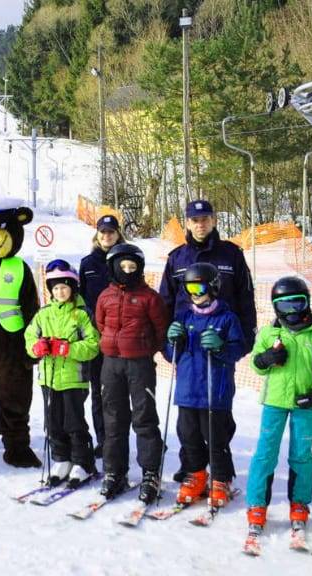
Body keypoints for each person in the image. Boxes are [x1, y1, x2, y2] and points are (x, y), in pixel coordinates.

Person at [158, 199, 256, 482]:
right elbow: (165, 302)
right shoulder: (177, 257)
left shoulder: (231, 255)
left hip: (221, 342)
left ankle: (220, 468)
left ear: (214, 221)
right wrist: (168, 345)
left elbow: (245, 298)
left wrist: (243, 340)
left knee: (217, 410)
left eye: (205, 219)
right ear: (187, 223)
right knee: (188, 413)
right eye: (195, 220)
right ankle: (192, 466)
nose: (200, 225)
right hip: (187, 344)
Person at [244, 276, 312, 537]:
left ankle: (300, 503)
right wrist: (266, 358)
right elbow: (255, 366)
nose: (291, 311)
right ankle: (257, 504)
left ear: (306, 303)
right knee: (265, 452)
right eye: (284, 306)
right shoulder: (270, 333)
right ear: (275, 307)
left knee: (302, 454)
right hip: (274, 402)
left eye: (296, 304)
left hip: (305, 402)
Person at [164, 262, 245, 508]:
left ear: (212, 286)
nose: (195, 293)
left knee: (216, 438)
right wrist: (172, 341)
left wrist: (221, 347)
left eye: (199, 287)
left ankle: (221, 479)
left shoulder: (227, 318)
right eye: (189, 288)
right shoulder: (184, 317)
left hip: (214, 391)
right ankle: (196, 474)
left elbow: (238, 349)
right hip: (187, 391)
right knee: (188, 437)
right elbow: (171, 354)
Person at [95, 244, 169, 502]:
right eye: (122, 267)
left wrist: (146, 349)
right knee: (113, 419)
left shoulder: (149, 297)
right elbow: (100, 323)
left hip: (139, 365)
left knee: (144, 418)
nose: (127, 271)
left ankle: (150, 472)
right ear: (113, 268)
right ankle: (115, 471)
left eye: (132, 267)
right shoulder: (105, 296)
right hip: (111, 364)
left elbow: (161, 330)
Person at [25, 264, 100, 487]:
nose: (60, 292)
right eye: (56, 288)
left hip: (73, 378)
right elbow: (30, 337)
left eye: (64, 288)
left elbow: (93, 345)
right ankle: (61, 459)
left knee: (73, 422)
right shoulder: (43, 314)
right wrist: (36, 347)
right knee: (53, 422)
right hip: (48, 378)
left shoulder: (82, 314)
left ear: (72, 288)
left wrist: (67, 349)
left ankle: (82, 462)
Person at [79, 214, 126, 457]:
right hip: (97, 339)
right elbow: (81, 300)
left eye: (111, 231)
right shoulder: (87, 263)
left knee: (122, 391)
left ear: (118, 233)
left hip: (123, 338)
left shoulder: (126, 258)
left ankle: (121, 437)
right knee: (98, 391)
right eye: (103, 232)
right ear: (97, 234)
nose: (107, 236)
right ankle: (103, 439)